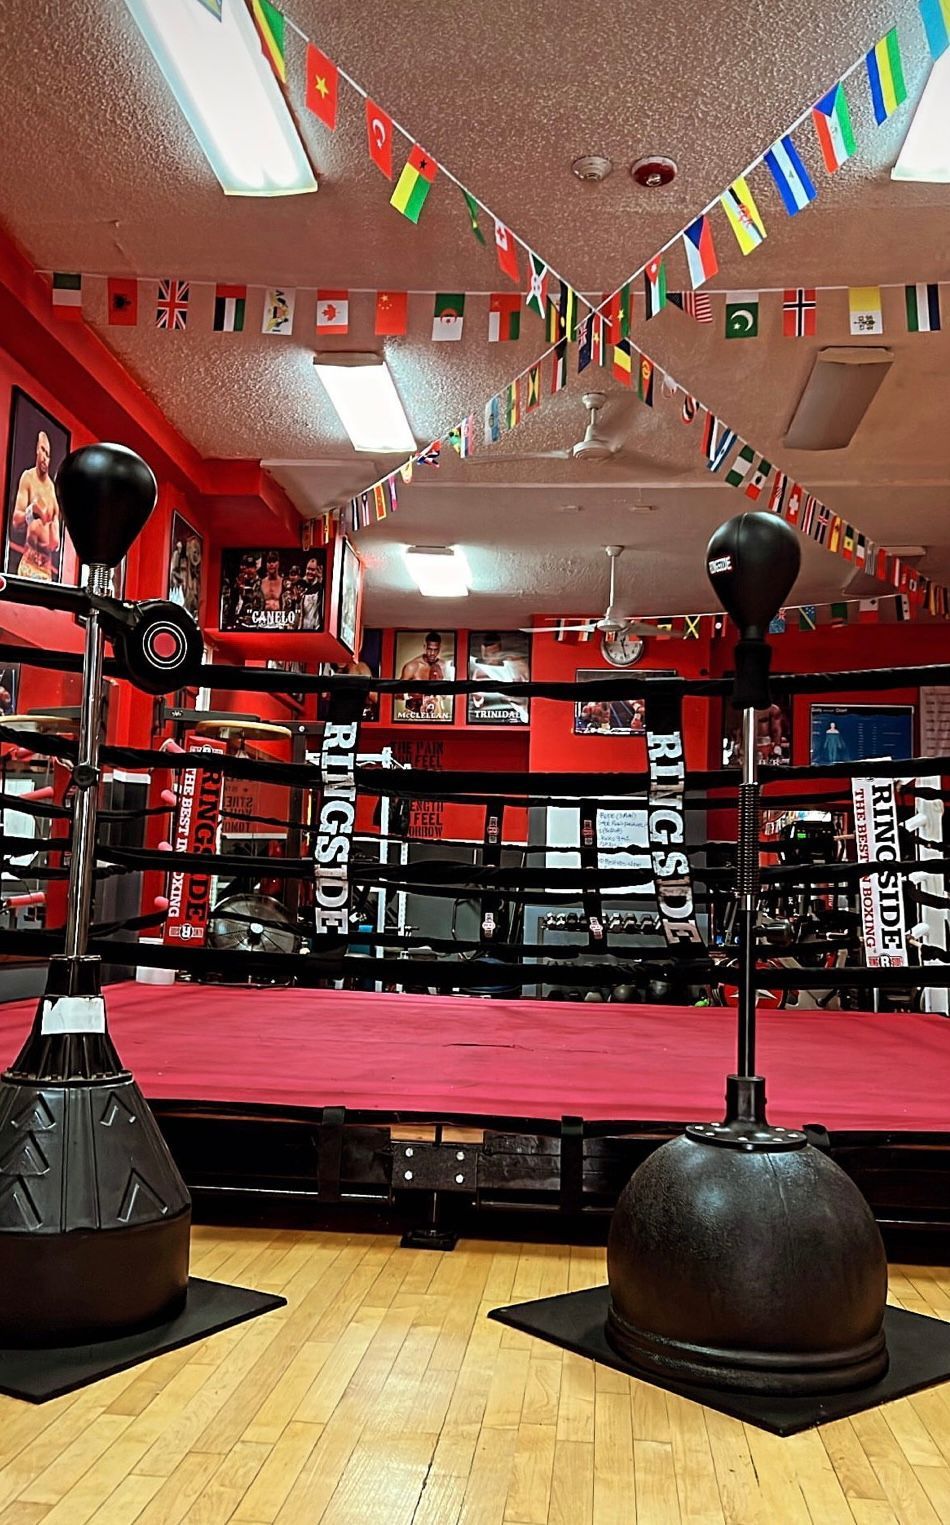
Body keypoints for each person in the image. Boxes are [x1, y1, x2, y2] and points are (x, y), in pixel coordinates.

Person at [11, 431, 61, 581]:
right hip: (28, 563)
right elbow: (15, 522)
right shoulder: (28, 478)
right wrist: (32, 511)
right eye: (43, 451)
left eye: (48, 454)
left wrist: (53, 533)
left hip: (46, 569)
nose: (45, 457)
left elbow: (55, 542)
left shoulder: (52, 490)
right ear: (37, 451)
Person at [469, 632, 529, 722]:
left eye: (493, 654)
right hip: (490, 714)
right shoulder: (480, 672)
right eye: (486, 655)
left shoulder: (514, 665)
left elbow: (528, 685)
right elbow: (477, 702)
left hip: (517, 711)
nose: (489, 659)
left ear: (499, 651)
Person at [400, 631, 453, 718]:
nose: (432, 653)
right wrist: (413, 694)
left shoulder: (443, 666)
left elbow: (448, 694)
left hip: (434, 714)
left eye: (435, 650)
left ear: (439, 649)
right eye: (429, 649)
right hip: (413, 715)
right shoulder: (413, 666)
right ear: (425, 647)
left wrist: (441, 694)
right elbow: (396, 693)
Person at [297, 557, 324, 631]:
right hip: (300, 629)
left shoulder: (320, 588)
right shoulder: (300, 585)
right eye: (308, 569)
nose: (309, 572)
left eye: (313, 570)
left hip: (315, 629)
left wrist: (321, 582)